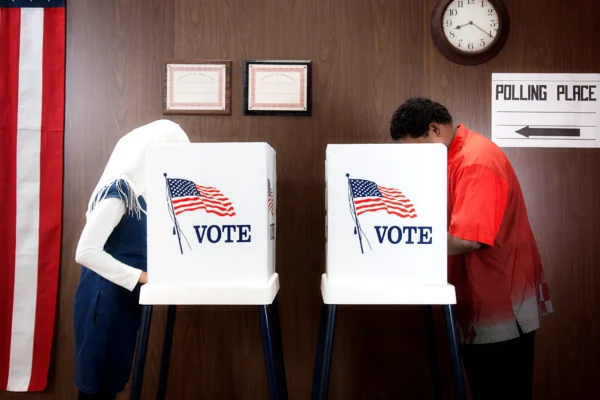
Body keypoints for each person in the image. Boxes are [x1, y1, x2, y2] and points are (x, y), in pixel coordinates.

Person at [389, 98, 553, 399]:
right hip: (478, 297)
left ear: (434, 129)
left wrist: (405, 242)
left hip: (498, 299)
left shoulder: (476, 159)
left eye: (413, 150)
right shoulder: (454, 157)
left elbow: (468, 239)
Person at [72, 119, 190, 400]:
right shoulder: (120, 192)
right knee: (96, 385)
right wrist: (142, 277)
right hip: (102, 300)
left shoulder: (145, 196)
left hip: (123, 299)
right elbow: (85, 252)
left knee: (112, 381)